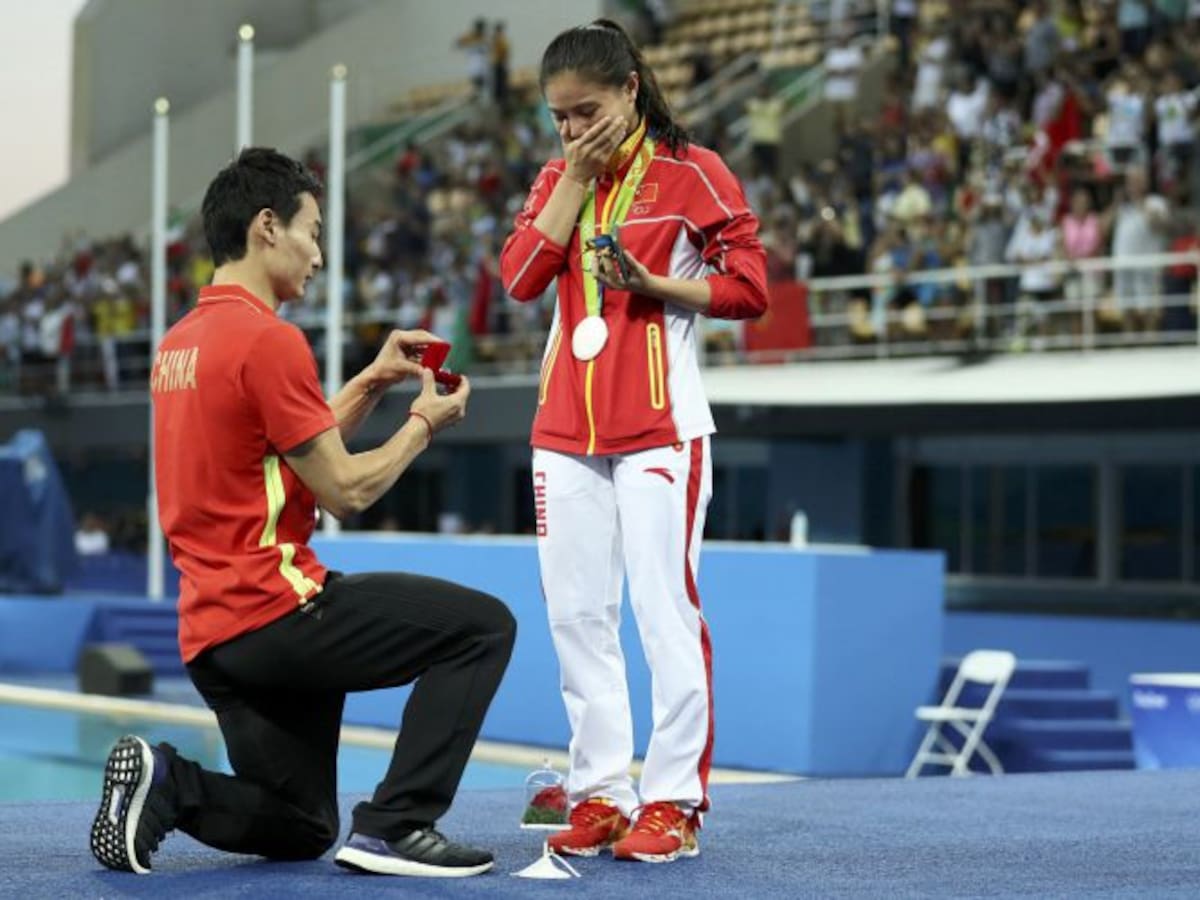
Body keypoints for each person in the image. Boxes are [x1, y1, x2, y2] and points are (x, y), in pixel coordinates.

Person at [88, 148, 515, 879]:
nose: (319, 255)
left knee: (302, 823)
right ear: (266, 227)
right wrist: (422, 424)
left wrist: (375, 380)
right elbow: (343, 489)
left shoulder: (179, 344)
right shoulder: (268, 339)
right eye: (313, 231)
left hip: (214, 640)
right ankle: (398, 824)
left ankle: (169, 784)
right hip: (279, 610)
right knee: (481, 628)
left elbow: (285, 452)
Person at [499, 19, 766, 864]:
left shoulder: (693, 173)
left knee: (662, 609)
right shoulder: (555, 179)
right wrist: (571, 180)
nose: (573, 130)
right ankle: (603, 792)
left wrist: (657, 284)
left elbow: (751, 285)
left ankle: (675, 802)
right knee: (579, 616)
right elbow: (518, 280)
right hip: (563, 429)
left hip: (659, 427)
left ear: (630, 92)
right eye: (558, 119)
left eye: (585, 111)